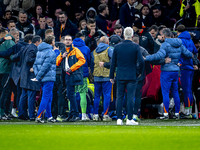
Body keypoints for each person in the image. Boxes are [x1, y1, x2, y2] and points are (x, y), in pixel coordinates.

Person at [144, 28, 193, 119]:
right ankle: (177, 114)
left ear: (163, 35)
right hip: (176, 71)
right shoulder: (179, 43)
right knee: (175, 93)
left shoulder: (165, 45)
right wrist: (180, 62)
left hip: (166, 72)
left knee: (165, 92)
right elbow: (189, 54)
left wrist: (147, 58)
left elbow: (159, 55)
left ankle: (166, 114)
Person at [110, 27, 144, 125]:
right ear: (132, 36)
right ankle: (129, 119)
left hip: (120, 75)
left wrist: (111, 76)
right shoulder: (136, 47)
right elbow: (141, 61)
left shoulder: (117, 47)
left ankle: (119, 119)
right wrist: (139, 72)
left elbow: (113, 63)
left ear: (123, 35)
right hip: (132, 75)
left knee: (119, 97)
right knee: (130, 97)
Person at [56, 35, 86, 122]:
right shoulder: (63, 51)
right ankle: (72, 114)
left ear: (72, 41)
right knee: (69, 95)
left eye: (69, 40)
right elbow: (57, 62)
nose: (68, 41)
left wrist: (72, 68)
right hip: (65, 75)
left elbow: (82, 60)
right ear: (64, 41)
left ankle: (75, 114)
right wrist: (62, 56)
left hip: (72, 74)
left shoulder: (75, 50)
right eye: (66, 40)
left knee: (71, 95)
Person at [12, 35, 42, 121]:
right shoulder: (34, 48)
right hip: (30, 75)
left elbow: (15, 58)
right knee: (31, 95)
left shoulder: (25, 47)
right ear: (37, 42)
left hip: (23, 74)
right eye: (40, 42)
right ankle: (31, 115)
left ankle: (21, 114)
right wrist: (38, 59)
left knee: (23, 95)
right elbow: (29, 59)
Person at [34, 35, 57, 123]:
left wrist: (38, 75)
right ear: (52, 42)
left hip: (42, 78)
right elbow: (46, 66)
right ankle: (39, 116)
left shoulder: (39, 51)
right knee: (46, 97)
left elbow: (35, 65)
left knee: (49, 97)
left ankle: (49, 116)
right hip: (48, 77)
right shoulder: (51, 52)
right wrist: (39, 76)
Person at [177, 25, 198, 118]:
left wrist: (180, 63)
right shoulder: (190, 40)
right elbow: (195, 51)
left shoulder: (180, 40)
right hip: (190, 68)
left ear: (178, 32)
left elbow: (181, 54)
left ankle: (186, 112)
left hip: (184, 68)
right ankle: (190, 111)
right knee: (189, 90)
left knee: (186, 90)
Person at [91, 36, 113, 121]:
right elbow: (114, 62)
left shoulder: (94, 52)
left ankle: (95, 115)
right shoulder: (109, 50)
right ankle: (105, 115)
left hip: (96, 76)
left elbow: (92, 64)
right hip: (107, 76)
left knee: (96, 96)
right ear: (107, 42)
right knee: (106, 95)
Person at [73, 33, 91, 121]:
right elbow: (89, 61)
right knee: (83, 94)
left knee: (71, 94)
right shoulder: (86, 48)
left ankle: (72, 114)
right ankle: (83, 115)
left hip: (71, 74)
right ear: (82, 38)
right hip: (83, 75)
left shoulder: (70, 48)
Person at [0, 27, 16, 120]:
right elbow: (12, 56)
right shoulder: (9, 42)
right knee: (5, 92)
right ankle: (2, 113)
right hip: (6, 70)